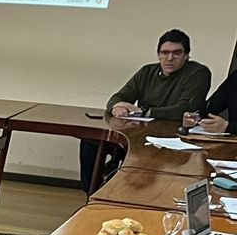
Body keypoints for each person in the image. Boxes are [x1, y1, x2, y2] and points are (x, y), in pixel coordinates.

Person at [80, 29, 211, 187]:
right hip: (138, 132)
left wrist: (144, 112)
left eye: (176, 53)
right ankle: (92, 190)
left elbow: (186, 108)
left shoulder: (198, 73)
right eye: (165, 53)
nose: (170, 58)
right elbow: (119, 96)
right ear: (158, 54)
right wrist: (116, 107)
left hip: (173, 135)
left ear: (186, 55)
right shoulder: (147, 71)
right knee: (91, 141)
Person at [183, 67, 234, 133]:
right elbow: (212, 105)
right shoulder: (234, 78)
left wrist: (228, 127)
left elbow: (227, 126)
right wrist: (195, 117)